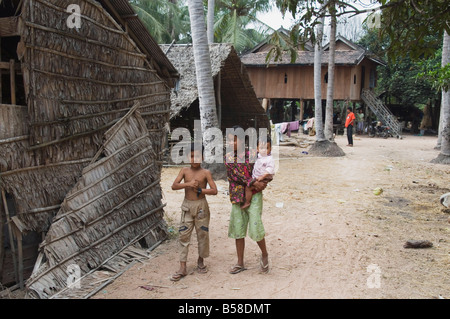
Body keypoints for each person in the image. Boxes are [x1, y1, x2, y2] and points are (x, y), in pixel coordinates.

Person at [224, 128, 270, 275]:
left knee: (256, 225)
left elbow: (264, 168)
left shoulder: (253, 154)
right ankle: (240, 262)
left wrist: (264, 182)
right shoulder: (228, 157)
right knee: (238, 228)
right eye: (229, 140)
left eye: (234, 139)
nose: (231, 142)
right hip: (237, 196)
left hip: (254, 195)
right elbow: (235, 175)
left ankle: (264, 254)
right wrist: (253, 182)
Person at [170, 143, 218, 281]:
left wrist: (200, 190)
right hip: (187, 206)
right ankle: (182, 266)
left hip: (201, 206)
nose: (194, 159)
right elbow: (174, 186)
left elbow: (214, 190)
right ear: (187, 157)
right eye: (191, 156)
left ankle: (201, 261)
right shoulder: (184, 171)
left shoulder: (205, 173)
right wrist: (188, 184)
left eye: (197, 156)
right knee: (183, 235)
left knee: (202, 233)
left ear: (202, 157)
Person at [241, 137, 275, 210]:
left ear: (270, 149)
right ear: (257, 148)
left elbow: (270, 169)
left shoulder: (269, 159)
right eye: (261, 148)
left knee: (248, 188)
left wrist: (262, 177)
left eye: (267, 148)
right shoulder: (258, 156)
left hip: (263, 178)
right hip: (256, 177)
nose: (264, 150)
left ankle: (247, 202)